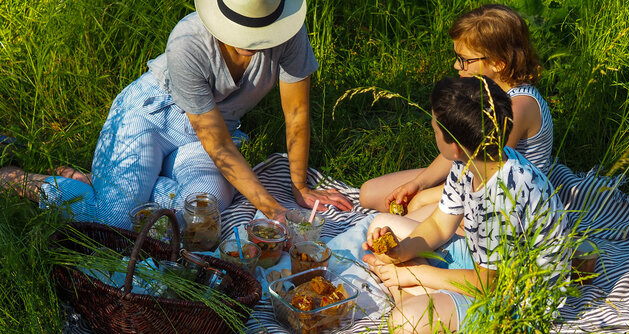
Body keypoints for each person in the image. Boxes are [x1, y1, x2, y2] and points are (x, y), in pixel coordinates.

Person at [0, 0, 352, 229]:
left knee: (203, 220)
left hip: (214, 132)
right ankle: (18, 179)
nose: (253, 39)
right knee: (115, 219)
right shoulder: (187, 42)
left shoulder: (288, 34)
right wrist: (274, 209)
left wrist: (300, 186)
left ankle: (110, 185)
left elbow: (297, 113)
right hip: (150, 117)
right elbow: (219, 147)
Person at [361, 76, 569, 332]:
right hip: (484, 266)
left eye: (436, 130)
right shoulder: (471, 163)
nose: (432, 132)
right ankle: (419, 291)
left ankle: (409, 293)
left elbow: (489, 285)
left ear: (456, 147)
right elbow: (439, 225)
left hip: (514, 299)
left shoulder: (501, 197)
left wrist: (412, 274)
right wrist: (401, 251)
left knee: (404, 321)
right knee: (380, 224)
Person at [359, 4, 553, 221]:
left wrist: (425, 197)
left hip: (501, 199)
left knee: (407, 220)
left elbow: (489, 172)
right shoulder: (483, 91)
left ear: (498, 63)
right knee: (369, 194)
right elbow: (460, 148)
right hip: (466, 177)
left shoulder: (518, 106)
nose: (456, 65)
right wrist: (419, 183)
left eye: (465, 60)